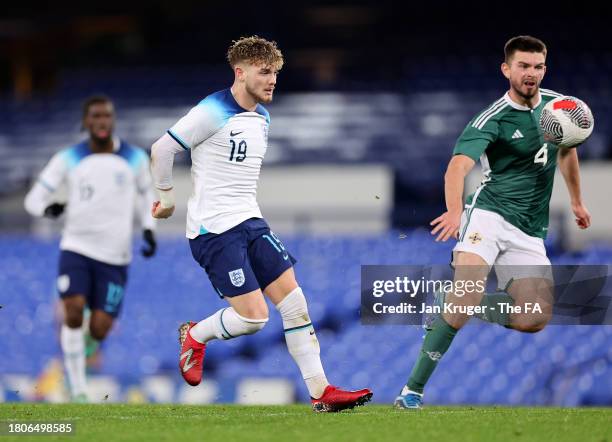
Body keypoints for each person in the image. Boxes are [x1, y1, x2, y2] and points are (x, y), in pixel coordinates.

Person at [150, 35, 372, 412]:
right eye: (264, 72)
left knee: (296, 303)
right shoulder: (212, 110)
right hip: (214, 231)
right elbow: (162, 148)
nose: (272, 80)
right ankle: (196, 335)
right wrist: (167, 197)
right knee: (253, 320)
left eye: (276, 73)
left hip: (251, 222)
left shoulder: (262, 118)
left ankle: (321, 392)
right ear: (240, 72)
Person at [394, 35, 592, 409]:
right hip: (488, 214)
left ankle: (446, 301)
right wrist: (454, 211)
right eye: (523, 66)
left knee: (534, 319)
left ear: (544, 69)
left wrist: (577, 200)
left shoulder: (558, 108)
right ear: (507, 69)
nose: (530, 73)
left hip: (530, 228)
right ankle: (412, 392)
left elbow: (567, 150)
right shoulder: (492, 118)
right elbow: (457, 168)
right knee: (464, 295)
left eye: (537, 66)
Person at [24, 96, 157, 402]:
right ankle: (79, 389)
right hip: (77, 247)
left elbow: (146, 195)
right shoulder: (67, 158)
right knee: (72, 310)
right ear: (86, 122)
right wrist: (49, 209)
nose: (101, 122)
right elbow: (33, 199)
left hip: (115, 256)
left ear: (112, 121)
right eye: (95, 116)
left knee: (99, 328)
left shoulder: (134, 158)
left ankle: (83, 359)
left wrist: (149, 229)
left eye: (106, 116)